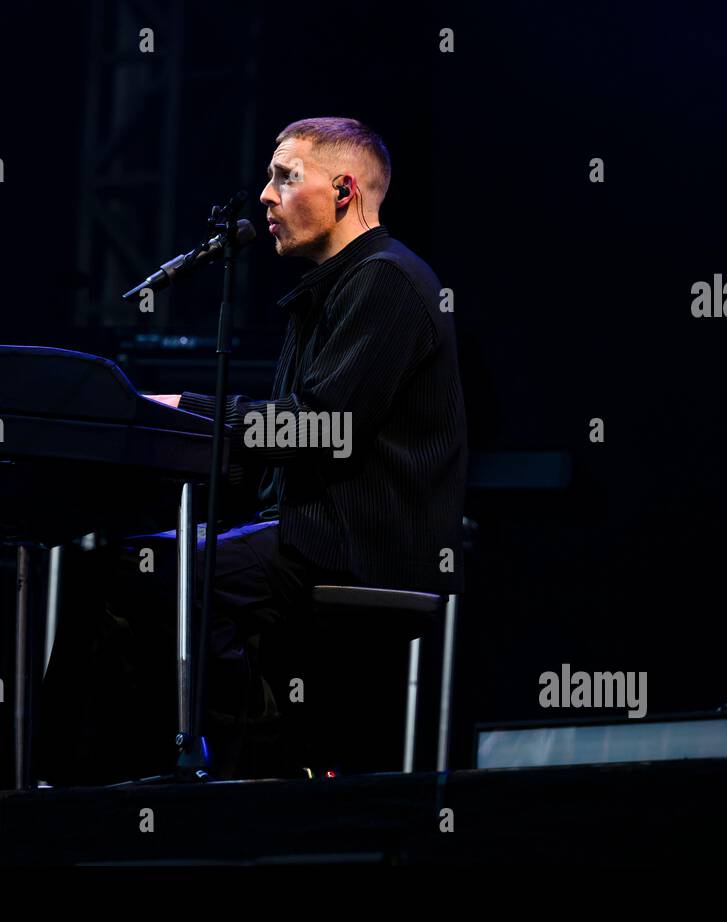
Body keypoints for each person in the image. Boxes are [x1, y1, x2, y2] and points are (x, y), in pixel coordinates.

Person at [44, 117, 467, 783]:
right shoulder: (336, 287)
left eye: (284, 177)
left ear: (344, 189)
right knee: (110, 564)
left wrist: (189, 410)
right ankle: (109, 776)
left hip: (359, 542)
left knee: (157, 573)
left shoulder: (385, 281)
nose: (265, 196)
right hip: (309, 531)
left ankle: (260, 769)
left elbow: (324, 429)